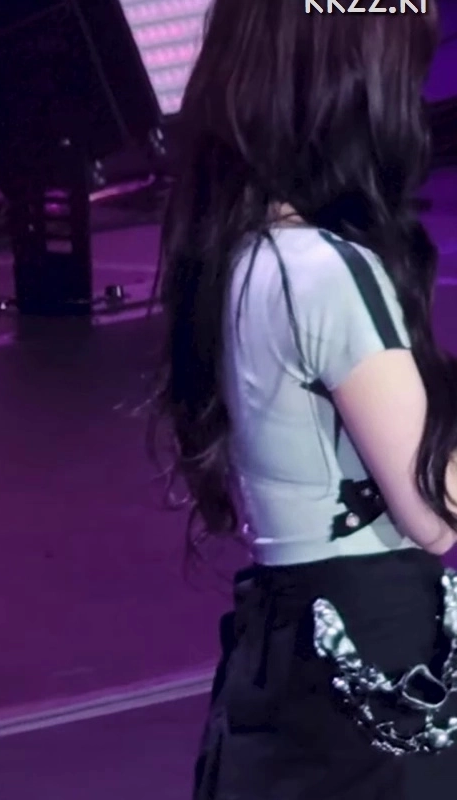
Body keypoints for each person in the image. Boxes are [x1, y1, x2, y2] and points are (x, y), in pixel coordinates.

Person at [150, 1, 457, 797]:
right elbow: (436, 510)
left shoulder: (243, 251)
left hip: (286, 649)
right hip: (371, 656)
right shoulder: (327, 273)